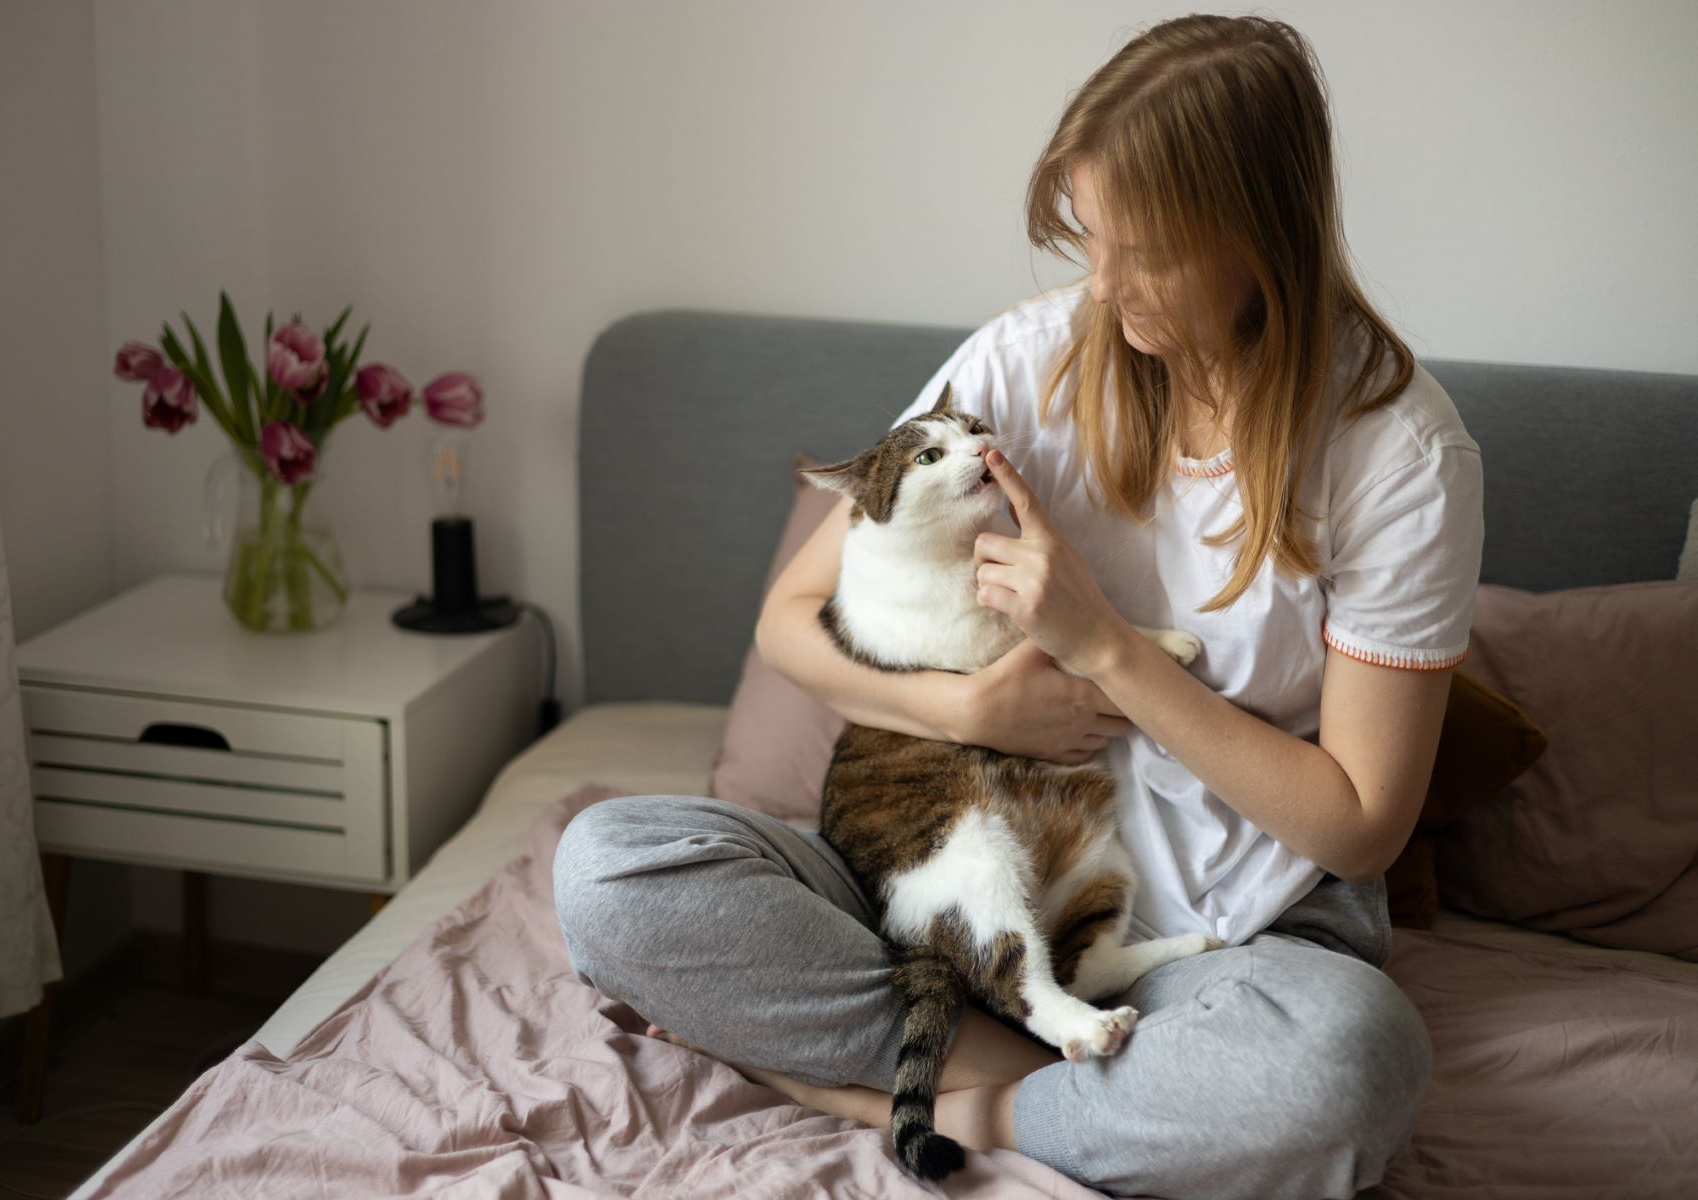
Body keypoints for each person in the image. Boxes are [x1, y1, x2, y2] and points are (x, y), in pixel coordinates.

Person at [553, 13, 1481, 1199]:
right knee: (608, 868)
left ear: (1260, 231)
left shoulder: (1399, 458)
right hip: (960, 889)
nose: (1104, 288)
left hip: (1226, 930)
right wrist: (970, 709)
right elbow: (789, 619)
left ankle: (959, 1096)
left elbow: (1358, 826)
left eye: (1145, 253)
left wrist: (1106, 648)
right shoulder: (1018, 366)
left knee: (1348, 1070)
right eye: (1090, 240)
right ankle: (1041, 1065)